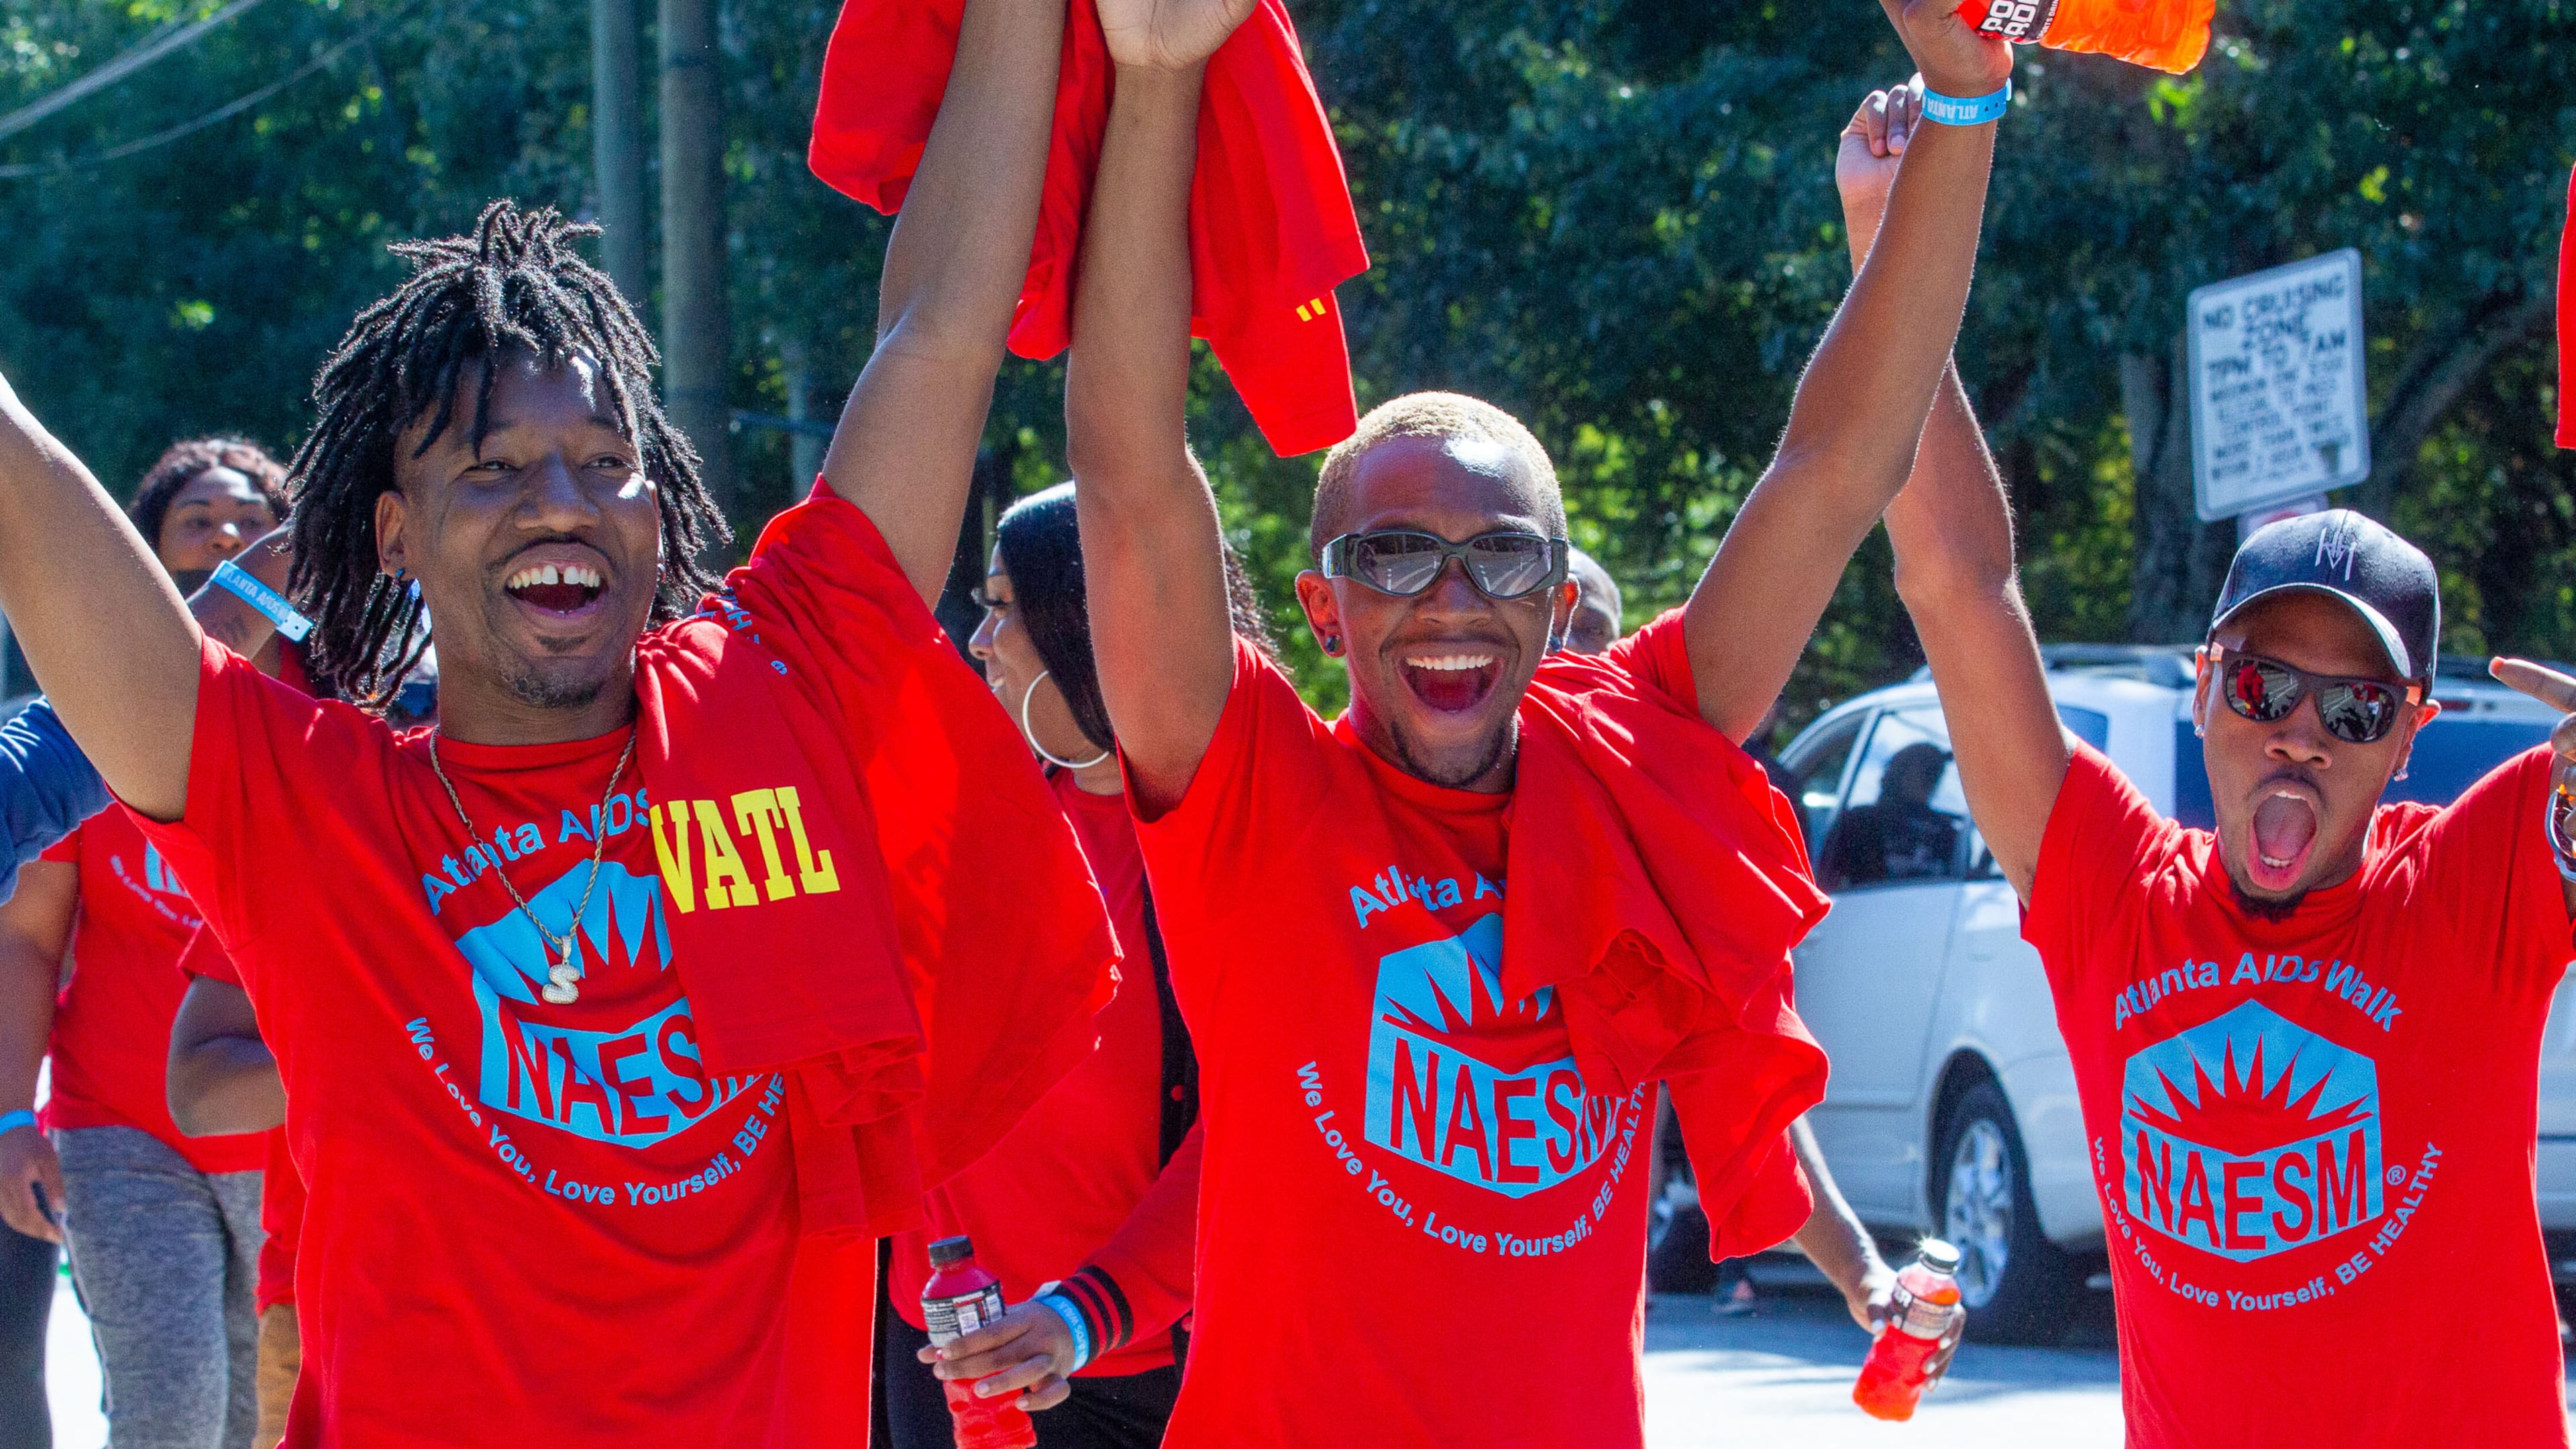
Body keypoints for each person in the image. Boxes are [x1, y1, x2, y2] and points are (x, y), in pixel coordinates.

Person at [0, 0, 1118, 1433]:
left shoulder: (779, 693)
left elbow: (940, 331)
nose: (562, 499)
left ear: (660, 520)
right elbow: (30, 513)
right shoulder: (301, 804)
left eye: (607, 460)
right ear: (393, 534)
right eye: (494, 466)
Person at [923, 0, 2014, 1438]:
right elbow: (1132, 473)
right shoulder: (1254, 795)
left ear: (1560, 603)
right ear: (1323, 613)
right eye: (1394, 556)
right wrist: (1156, 75)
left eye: (1500, 554)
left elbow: (1834, 463)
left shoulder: (1637, 759)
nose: (1449, 598)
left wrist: (1962, 105)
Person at [1864, 72, 2576, 1445]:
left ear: (2412, 734)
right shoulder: (2112, 892)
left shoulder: (2475, 881)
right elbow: (1955, 577)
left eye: (2354, 707)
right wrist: (1894, 232)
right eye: (2262, 682)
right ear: (2203, 692)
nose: (2299, 727)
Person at [875, 484, 1262, 1446]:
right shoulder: (967, 813)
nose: (978, 638)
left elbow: (1260, 1133)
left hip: (1132, 1372)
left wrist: (1083, 1317)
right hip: (936, 1353)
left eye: (1003, 605)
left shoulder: (1231, 846)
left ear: (1089, 623)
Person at [0, 438, 289, 1449]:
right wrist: (7, 1118)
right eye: (195, 520)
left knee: (278, 1415)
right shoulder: (91, 720)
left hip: (292, 1139)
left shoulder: (340, 711)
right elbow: (30, 942)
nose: (224, 534)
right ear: (134, 548)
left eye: (251, 520)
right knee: (172, 1417)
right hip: (120, 1132)